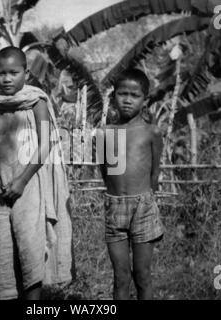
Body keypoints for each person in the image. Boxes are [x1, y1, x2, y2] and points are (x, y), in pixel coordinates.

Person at [0, 46, 73, 300]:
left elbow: (45, 144)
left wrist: (22, 180)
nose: (7, 79)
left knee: (30, 247)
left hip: (28, 182)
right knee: (4, 248)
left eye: (14, 73)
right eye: (1, 73)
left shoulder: (36, 101)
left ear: (26, 73)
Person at [97, 68, 164, 300]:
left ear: (145, 100)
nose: (127, 100)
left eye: (134, 95)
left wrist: (144, 200)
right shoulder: (105, 133)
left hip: (143, 206)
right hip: (114, 207)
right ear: (113, 96)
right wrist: (118, 194)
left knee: (142, 275)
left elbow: (154, 174)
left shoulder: (151, 132)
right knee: (121, 277)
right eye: (122, 93)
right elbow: (105, 171)